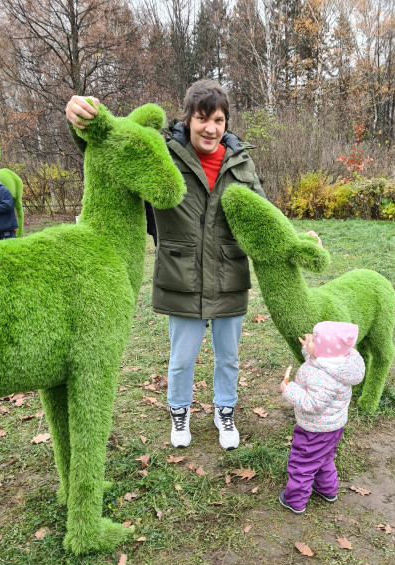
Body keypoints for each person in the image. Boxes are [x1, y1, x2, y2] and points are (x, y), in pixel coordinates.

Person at [65, 79, 266, 451]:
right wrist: (81, 122)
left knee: (229, 358)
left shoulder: (243, 161)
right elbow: (112, 147)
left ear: (227, 123)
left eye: (219, 120)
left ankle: (225, 410)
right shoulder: (164, 154)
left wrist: (296, 238)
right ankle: (179, 410)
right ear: (188, 118)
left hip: (229, 274)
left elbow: (263, 215)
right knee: (181, 360)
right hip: (181, 276)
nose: (211, 128)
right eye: (203, 118)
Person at [279, 321, 365, 514]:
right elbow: (318, 357)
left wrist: (289, 390)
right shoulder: (340, 362)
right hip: (333, 427)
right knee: (324, 458)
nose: (310, 341)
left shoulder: (322, 378)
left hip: (314, 430)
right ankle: (327, 488)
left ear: (322, 350)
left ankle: (295, 500)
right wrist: (308, 346)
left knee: (303, 463)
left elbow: (313, 404)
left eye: (314, 341)